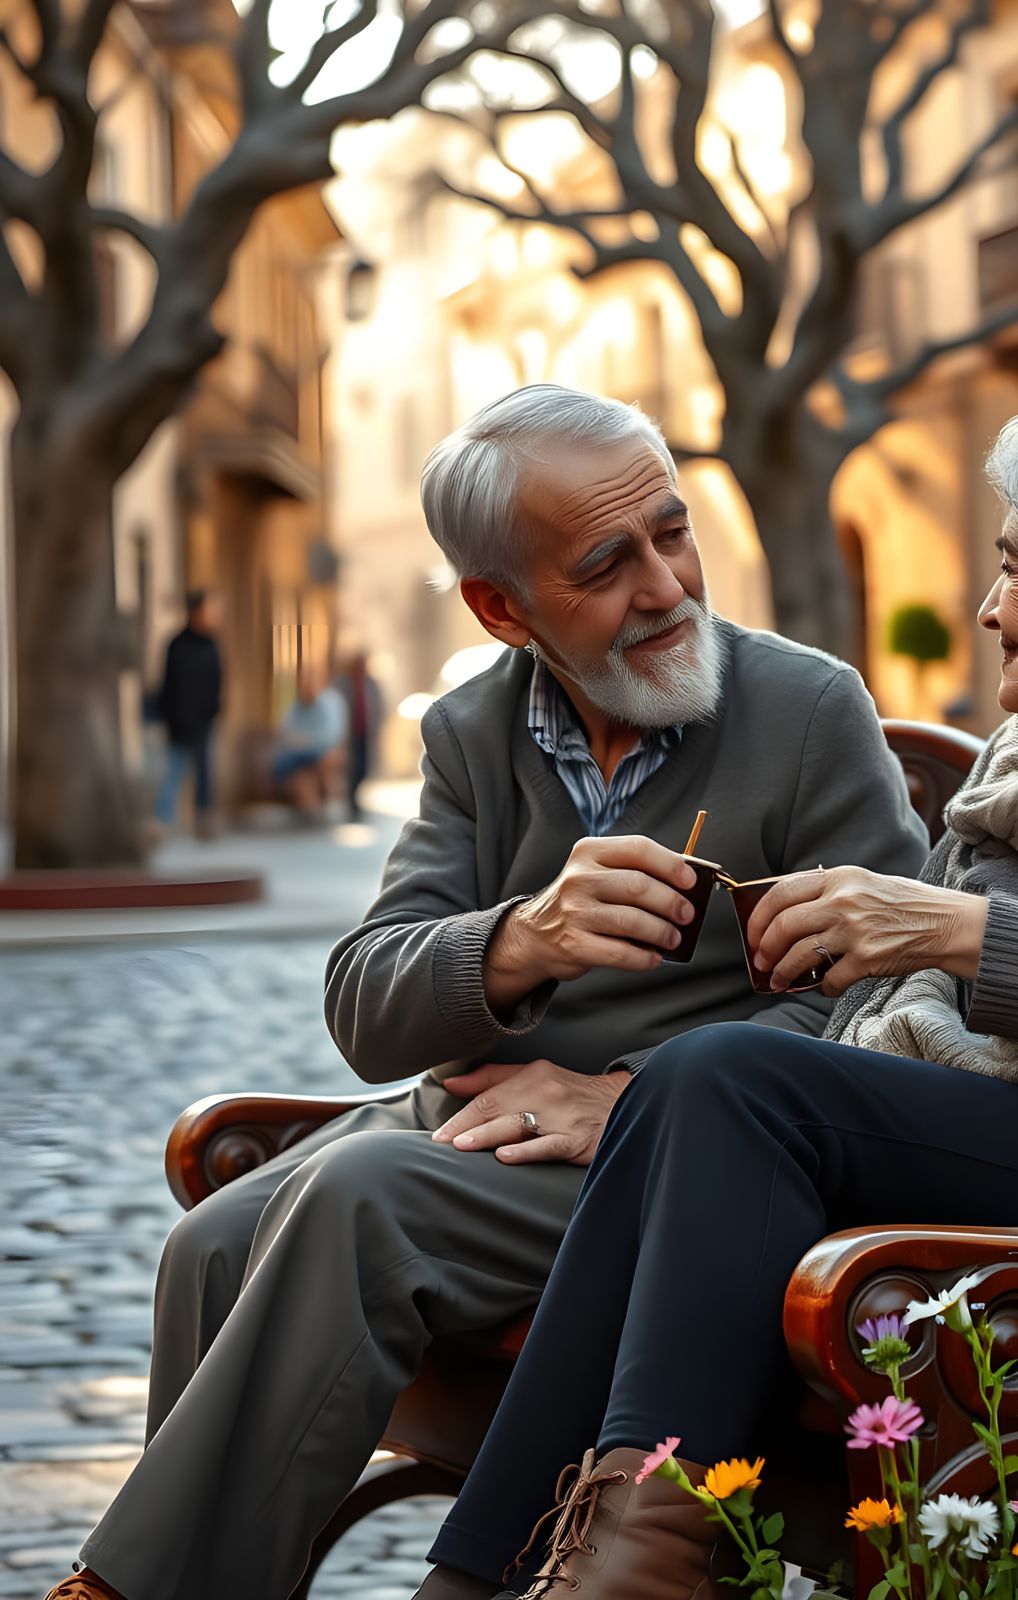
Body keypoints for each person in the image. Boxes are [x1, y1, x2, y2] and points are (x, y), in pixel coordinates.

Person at [402, 390, 1018, 1600]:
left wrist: (944, 925)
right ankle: (504, 1572)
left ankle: (636, 1561)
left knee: (722, 1078)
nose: (987, 605)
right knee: (693, 1094)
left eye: (1014, 571)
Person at [47, 386, 927, 1600]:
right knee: (211, 1239)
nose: (667, 585)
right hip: (480, 1141)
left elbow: (891, 1002)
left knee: (363, 1195)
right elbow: (364, 1004)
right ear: (500, 607)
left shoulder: (807, 709)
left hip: (683, 1176)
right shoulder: (474, 730)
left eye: (671, 533)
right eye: (607, 563)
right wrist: (521, 939)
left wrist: (625, 1095)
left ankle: (124, 1591)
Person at [151, 590, 223, 837]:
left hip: (204, 722)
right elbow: (168, 685)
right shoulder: (177, 644)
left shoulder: (211, 644)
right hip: (179, 723)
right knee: (173, 770)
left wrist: (213, 711)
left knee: (205, 774)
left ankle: (204, 822)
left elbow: (217, 682)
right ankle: (161, 823)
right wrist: (171, 717)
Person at [271, 665, 349, 818]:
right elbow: (285, 732)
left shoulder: (330, 702)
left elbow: (329, 737)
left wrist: (303, 740)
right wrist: (302, 741)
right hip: (300, 755)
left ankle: (323, 804)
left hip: (321, 752)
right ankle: (311, 811)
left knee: (325, 762)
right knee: (299, 775)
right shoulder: (297, 706)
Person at [336, 650, 383, 819]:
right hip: (349, 734)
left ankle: (355, 798)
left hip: (365, 733)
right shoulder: (342, 683)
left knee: (363, 767)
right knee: (351, 768)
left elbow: (379, 706)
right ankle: (351, 801)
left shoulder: (371, 683)